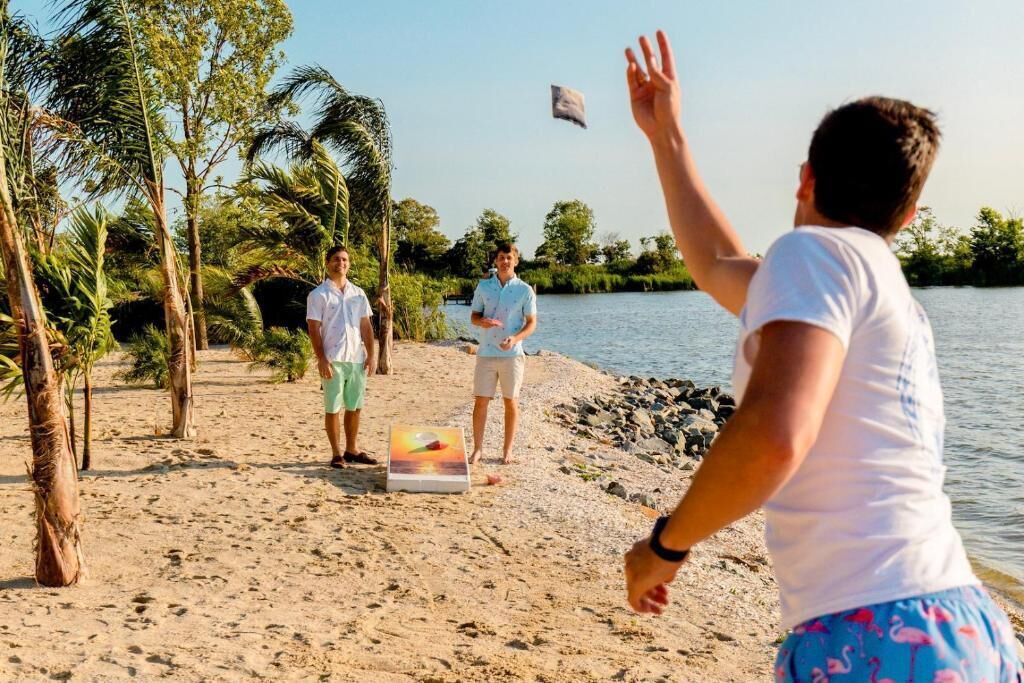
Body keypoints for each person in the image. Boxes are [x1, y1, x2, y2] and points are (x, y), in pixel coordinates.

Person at [621, 30, 1023, 682]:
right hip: (963, 623)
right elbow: (717, 262)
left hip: (875, 629)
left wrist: (665, 546)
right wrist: (666, 137)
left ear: (806, 177)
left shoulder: (812, 256)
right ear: (909, 216)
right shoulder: (879, 287)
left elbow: (776, 435)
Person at [306, 245, 378, 469]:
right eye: (336, 259)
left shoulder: (358, 293)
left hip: (356, 359)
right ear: (328, 263)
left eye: (345, 259)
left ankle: (352, 449)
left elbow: (365, 325)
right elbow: (313, 328)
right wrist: (321, 358)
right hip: (333, 359)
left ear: (349, 264)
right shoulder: (318, 295)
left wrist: (371, 355)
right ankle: (337, 453)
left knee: (355, 406)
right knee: (333, 407)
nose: (341, 263)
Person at [468, 243, 537, 465]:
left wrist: (515, 339)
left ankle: (507, 451)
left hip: (513, 354)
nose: (505, 261)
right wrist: (482, 322)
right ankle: (477, 449)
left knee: (511, 402)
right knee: (481, 401)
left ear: (516, 260)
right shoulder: (483, 287)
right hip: (486, 353)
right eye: (501, 258)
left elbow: (532, 323)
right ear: (495, 261)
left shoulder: (525, 290)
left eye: (509, 257)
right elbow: (474, 317)